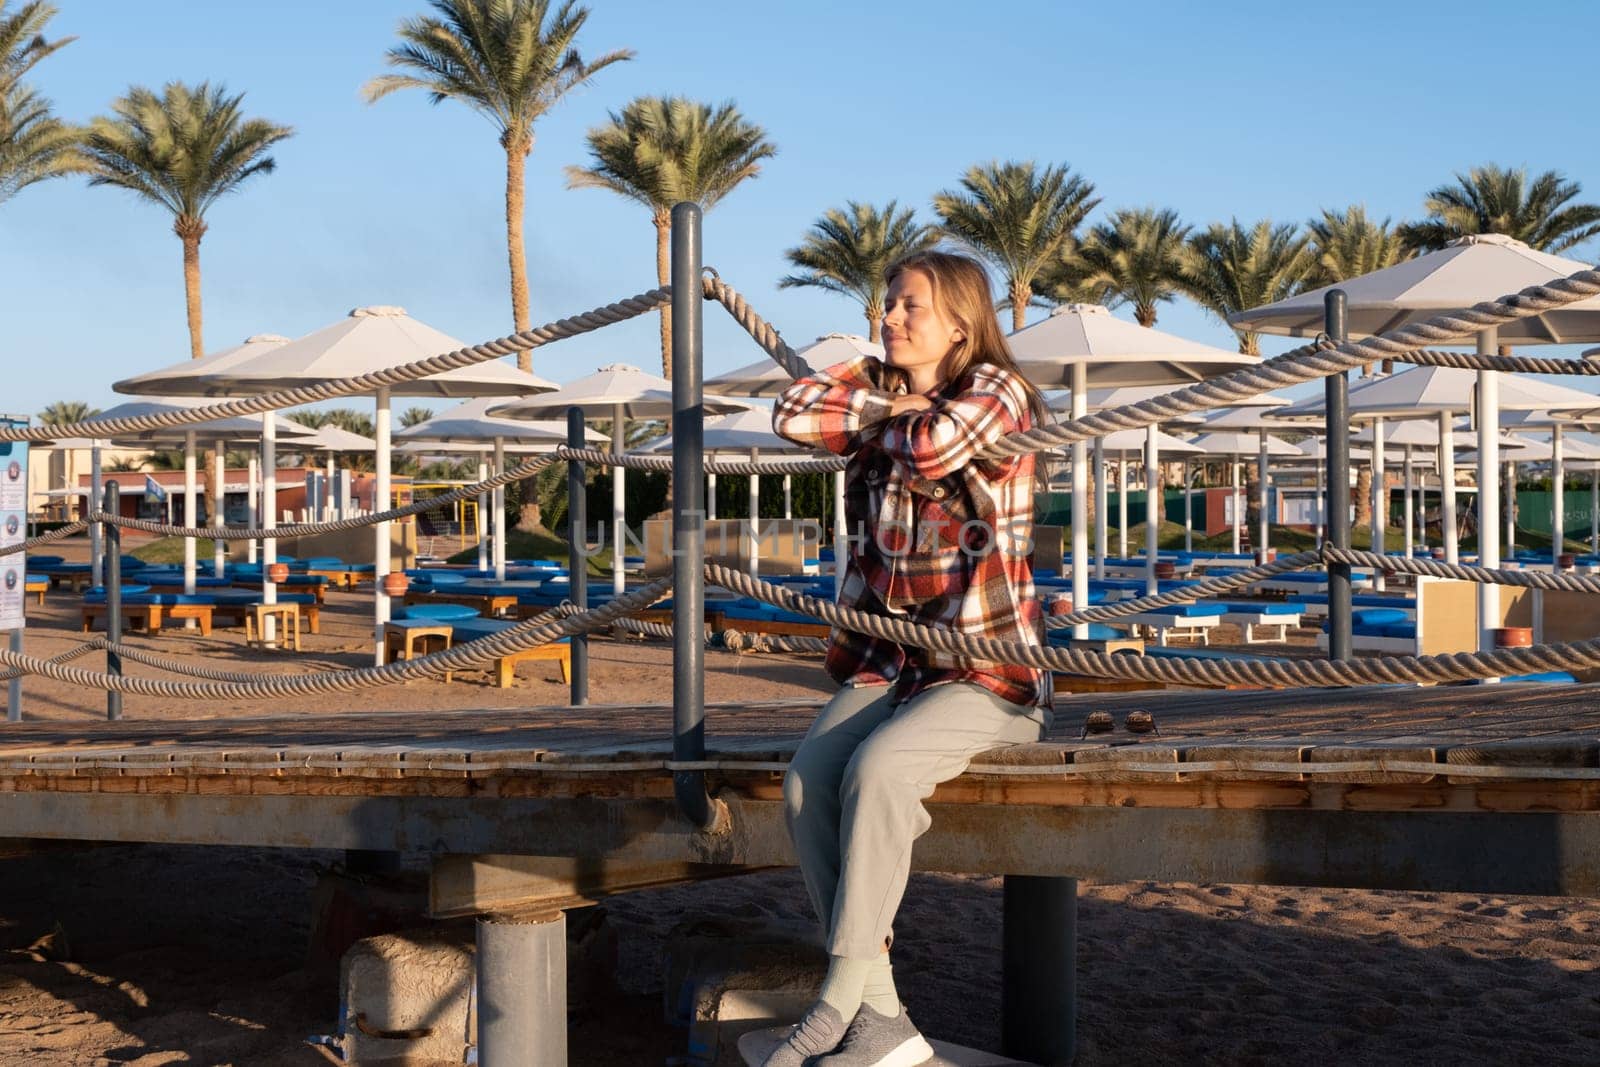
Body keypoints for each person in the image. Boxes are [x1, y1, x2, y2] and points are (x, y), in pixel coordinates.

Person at [764, 250, 1053, 1066]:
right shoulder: (885, 382)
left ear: (961, 322)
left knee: (881, 771)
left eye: (908, 307)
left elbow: (934, 447)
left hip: (988, 669)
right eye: (887, 304)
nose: (888, 318)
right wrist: (891, 396)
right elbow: (789, 413)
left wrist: (884, 411)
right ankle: (883, 1013)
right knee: (804, 784)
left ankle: (837, 998)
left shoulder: (1002, 390)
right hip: (895, 663)